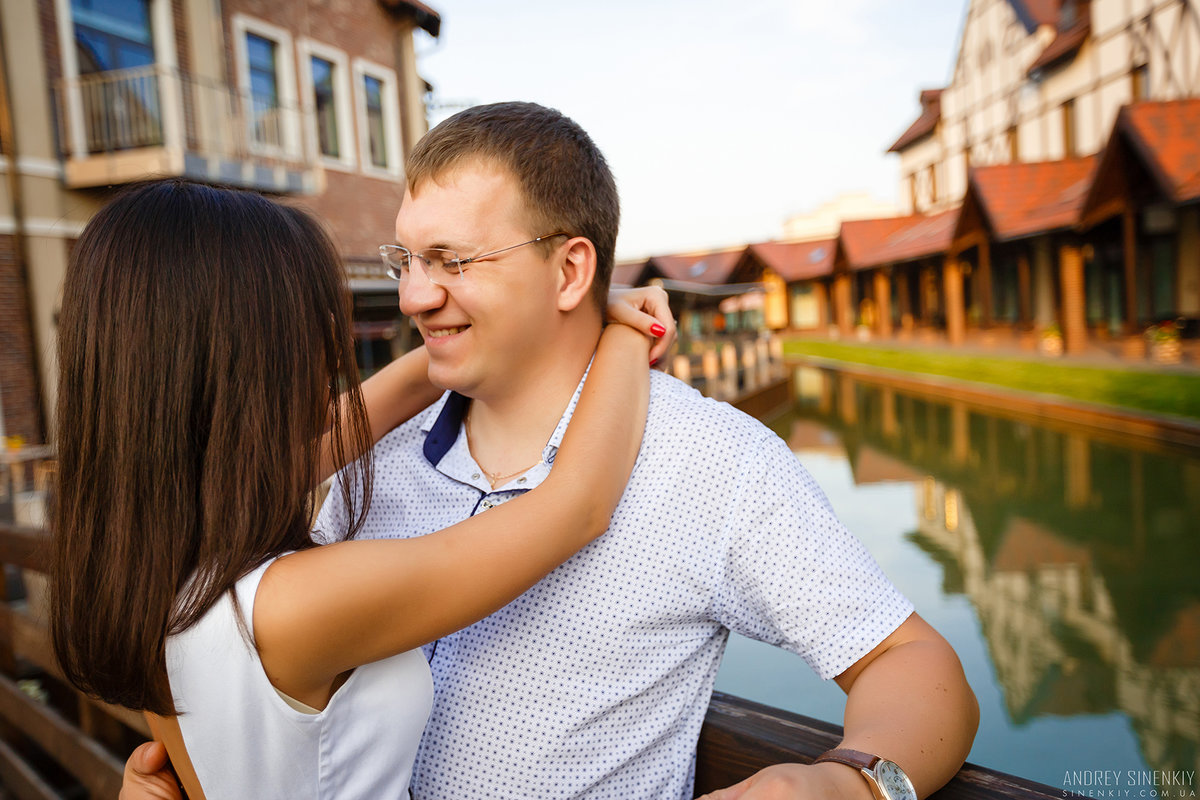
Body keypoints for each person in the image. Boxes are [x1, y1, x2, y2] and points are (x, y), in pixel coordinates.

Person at [124, 103, 979, 800]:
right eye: (408, 260)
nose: (415, 297)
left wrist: (848, 785)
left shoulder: (714, 459)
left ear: (570, 273)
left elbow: (912, 661)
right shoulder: (357, 462)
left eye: (452, 260)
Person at [50, 179, 677, 799]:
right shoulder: (291, 606)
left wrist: (519, 317)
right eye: (315, 324)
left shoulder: (153, 564)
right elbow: (576, 508)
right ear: (248, 362)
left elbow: (365, 414)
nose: (333, 347)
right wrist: (629, 336)